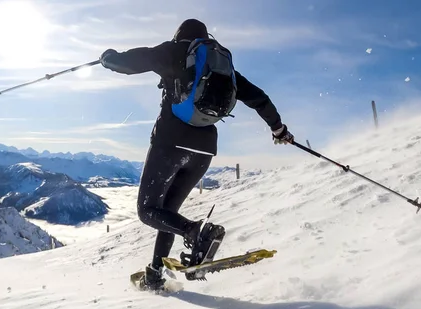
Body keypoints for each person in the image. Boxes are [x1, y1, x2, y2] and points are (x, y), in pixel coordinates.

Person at [99, 18, 294, 290]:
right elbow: (259, 98)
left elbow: (130, 63)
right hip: (204, 151)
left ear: (180, 36)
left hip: (170, 144)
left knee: (147, 211)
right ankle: (155, 273)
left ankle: (195, 231)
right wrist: (278, 129)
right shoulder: (223, 69)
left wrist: (108, 58)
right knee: (168, 212)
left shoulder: (174, 50)